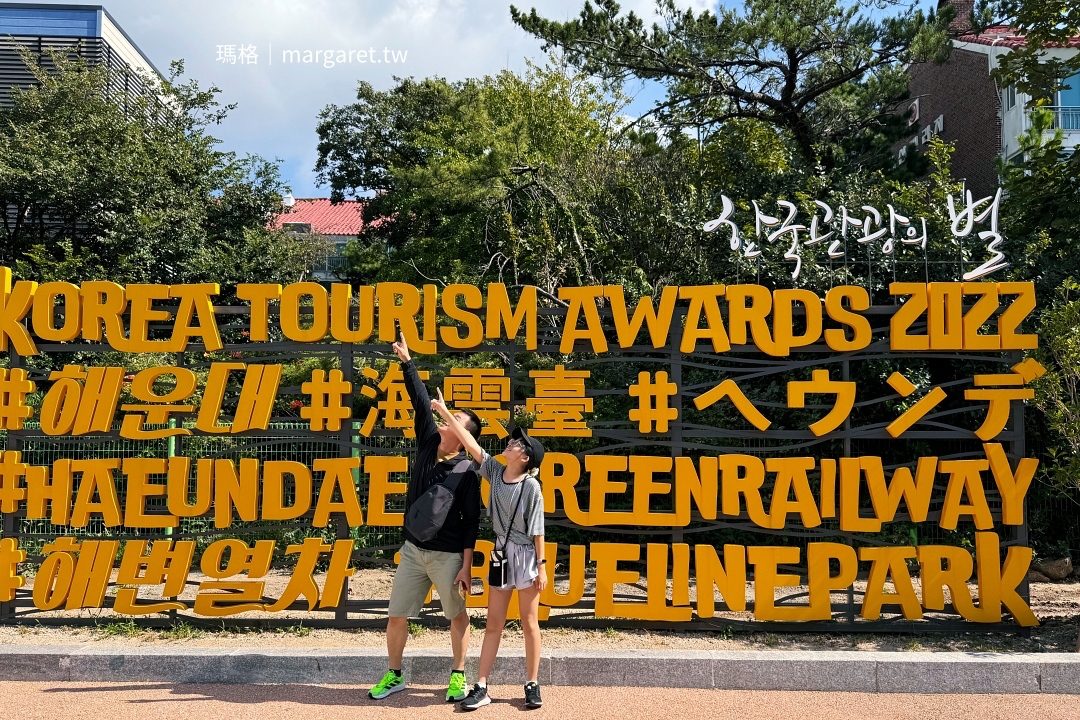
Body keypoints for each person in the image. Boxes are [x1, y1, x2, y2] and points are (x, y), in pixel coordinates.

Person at [368, 333, 483, 703]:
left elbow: (470, 523)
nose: (444, 423)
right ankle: (395, 674)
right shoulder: (429, 443)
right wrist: (407, 362)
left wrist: (466, 566)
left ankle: (458, 676)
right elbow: (420, 402)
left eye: (454, 420)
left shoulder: (468, 470)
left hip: (449, 555)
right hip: (413, 550)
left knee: (457, 616)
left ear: (464, 433)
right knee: (397, 615)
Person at [433, 392, 547, 710]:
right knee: (493, 622)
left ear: (525, 458)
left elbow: (537, 528)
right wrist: (443, 410)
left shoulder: (531, 487)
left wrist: (542, 564)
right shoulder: (495, 473)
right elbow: (471, 445)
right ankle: (481, 685)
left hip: (526, 556)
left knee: (528, 622)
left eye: (517, 444)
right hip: (500, 555)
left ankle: (532, 683)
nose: (511, 444)